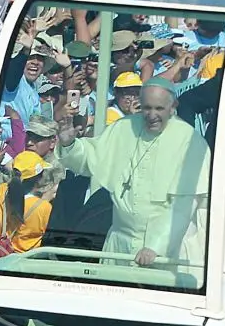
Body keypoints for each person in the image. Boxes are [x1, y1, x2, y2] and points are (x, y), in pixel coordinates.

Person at [51, 78, 208, 266]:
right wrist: (69, 143)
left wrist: (155, 246)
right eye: (146, 108)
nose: (151, 115)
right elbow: (90, 160)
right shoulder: (124, 127)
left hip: (166, 249)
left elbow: (185, 203)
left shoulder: (190, 140)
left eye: (159, 109)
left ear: (173, 106)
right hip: (119, 244)